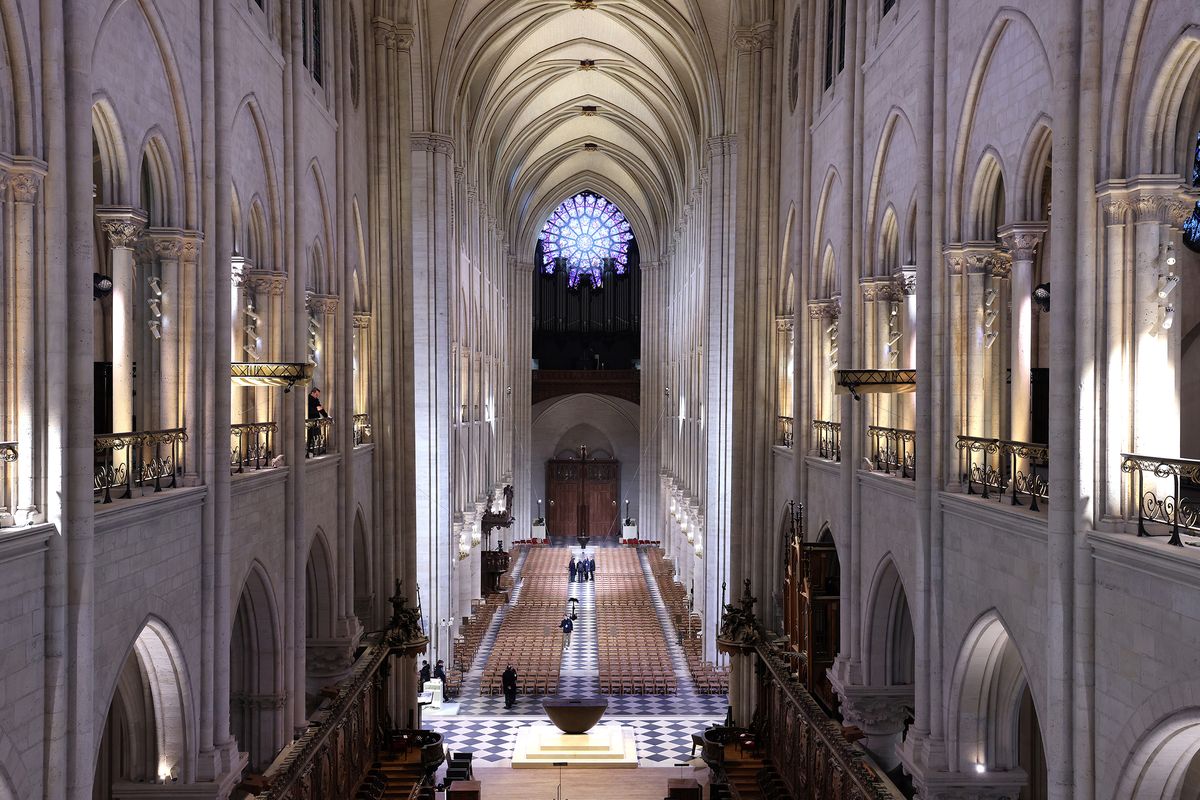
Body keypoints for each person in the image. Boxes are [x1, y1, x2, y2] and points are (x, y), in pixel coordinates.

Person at [306, 387, 329, 455]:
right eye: (316, 394)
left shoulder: (315, 399)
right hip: (311, 420)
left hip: (314, 420)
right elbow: (319, 408)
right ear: (312, 392)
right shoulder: (309, 398)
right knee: (310, 435)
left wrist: (326, 416)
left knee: (314, 435)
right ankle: (309, 451)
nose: (317, 396)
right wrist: (325, 415)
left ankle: (312, 451)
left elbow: (320, 408)